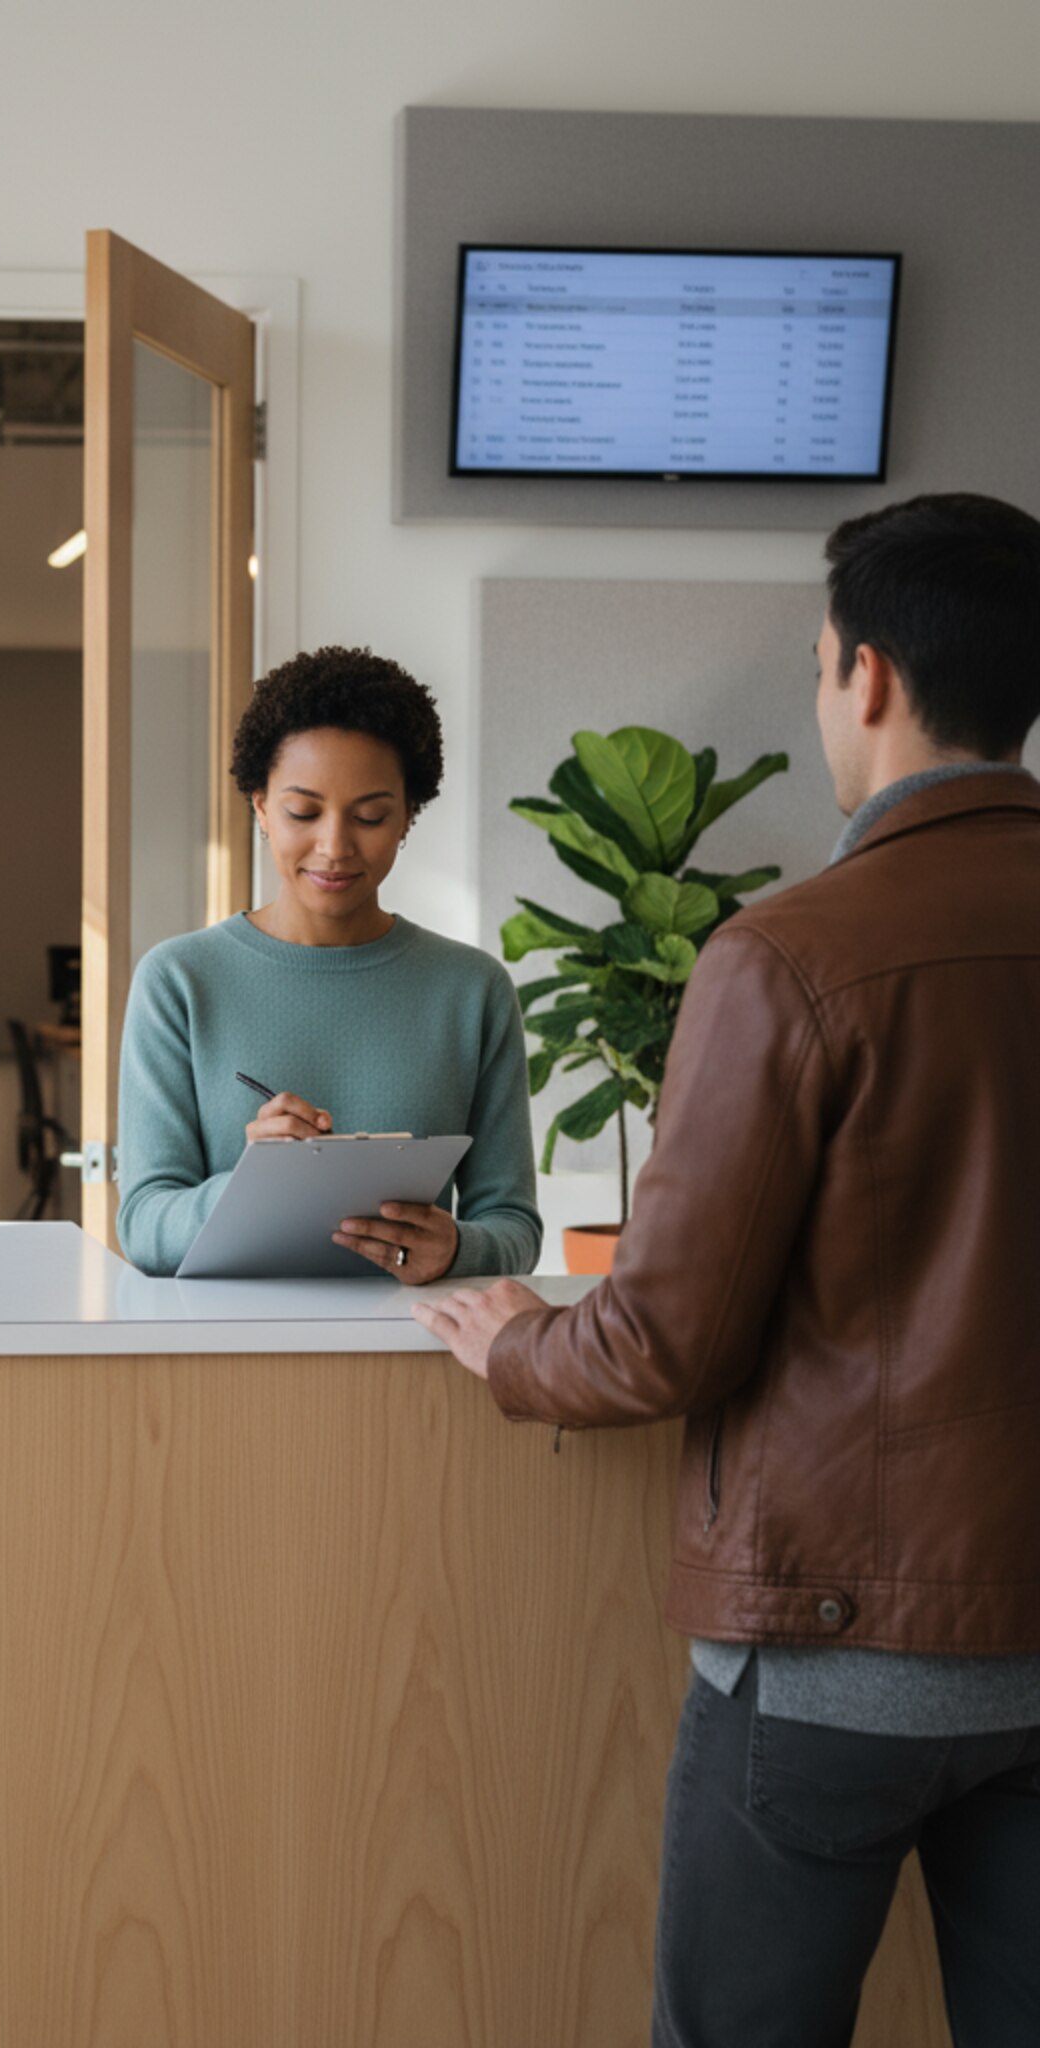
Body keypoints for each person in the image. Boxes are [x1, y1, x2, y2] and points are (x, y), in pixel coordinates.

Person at [414, 492, 1040, 2048]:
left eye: (824, 665)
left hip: (830, 1656)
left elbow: (659, 1343)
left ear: (870, 675)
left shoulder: (792, 954)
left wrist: (511, 1346)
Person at [116, 645, 541, 1281]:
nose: (335, 847)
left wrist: (458, 1249)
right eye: (303, 812)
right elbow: (143, 1227)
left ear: (407, 817)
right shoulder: (178, 982)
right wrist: (249, 1186)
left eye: (370, 815)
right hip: (222, 1364)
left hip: (414, 1364)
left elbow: (513, 1223)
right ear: (260, 806)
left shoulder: (471, 990)